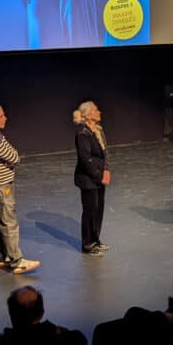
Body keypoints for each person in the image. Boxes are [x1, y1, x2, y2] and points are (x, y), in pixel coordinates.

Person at [0, 103, 40, 274]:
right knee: (8, 222)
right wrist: (10, 162)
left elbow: (11, 157)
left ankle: (1, 257)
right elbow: (14, 157)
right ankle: (16, 261)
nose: (5, 118)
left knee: (0, 220)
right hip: (1, 187)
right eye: (2, 116)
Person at [73, 100, 110, 256]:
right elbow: (85, 160)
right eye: (96, 110)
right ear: (88, 115)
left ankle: (95, 240)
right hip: (88, 179)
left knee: (98, 210)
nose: (99, 112)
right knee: (90, 212)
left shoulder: (99, 130)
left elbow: (105, 152)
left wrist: (106, 170)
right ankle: (88, 245)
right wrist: (99, 176)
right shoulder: (82, 134)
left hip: (100, 177)